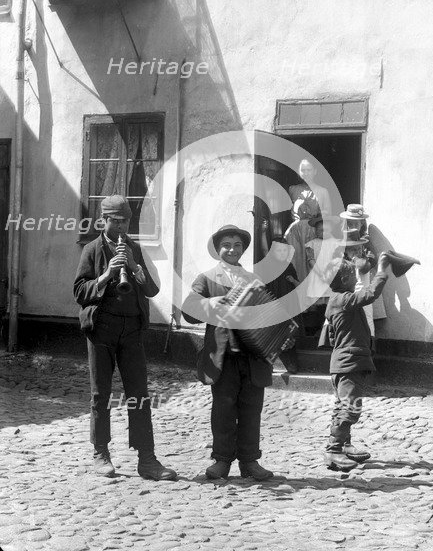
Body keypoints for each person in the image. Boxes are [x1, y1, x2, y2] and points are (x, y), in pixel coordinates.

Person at [73, 195, 177, 481]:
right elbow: (80, 292)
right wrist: (107, 275)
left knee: (139, 395)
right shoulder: (92, 249)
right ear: (103, 220)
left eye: (125, 221)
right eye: (114, 221)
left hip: (131, 329)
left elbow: (152, 291)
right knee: (101, 394)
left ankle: (147, 459)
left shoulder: (134, 249)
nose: (120, 226)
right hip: (101, 329)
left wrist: (134, 266)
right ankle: (101, 453)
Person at [181, 225, 275, 481]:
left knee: (251, 409)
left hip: (252, 356)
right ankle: (222, 461)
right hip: (223, 357)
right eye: (226, 245)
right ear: (218, 250)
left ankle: (250, 461)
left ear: (243, 249)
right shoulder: (207, 279)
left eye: (237, 245)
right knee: (223, 410)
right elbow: (187, 311)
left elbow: (268, 316)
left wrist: (277, 336)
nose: (232, 250)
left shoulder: (254, 280)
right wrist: (207, 304)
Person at [323, 253, 390, 472]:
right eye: (353, 275)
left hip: (344, 362)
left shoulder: (337, 300)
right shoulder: (343, 299)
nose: (356, 278)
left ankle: (344, 445)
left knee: (343, 405)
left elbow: (334, 337)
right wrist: (381, 270)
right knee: (350, 408)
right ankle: (333, 450)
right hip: (348, 363)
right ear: (343, 280)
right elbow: (370, 294)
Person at [258, 223, 303, 374]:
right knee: (272, 334)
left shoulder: (289, 266)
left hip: (288, 305)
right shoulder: (270, 264)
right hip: (274, 304)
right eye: (278, 250)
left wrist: (293, 281)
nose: (282, 253)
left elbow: (298, 285)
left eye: (285, 250)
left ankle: (291, 362)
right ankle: (269, 363)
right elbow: (264, 249)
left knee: (289, 334)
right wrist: (263, 232)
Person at [339, 204, 387, 342]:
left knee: (366, 314)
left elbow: (372, 260)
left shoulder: (365, 240)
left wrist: (361, 261)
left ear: (362, 224)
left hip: (364, 282)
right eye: (351, 222)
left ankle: (368, 345)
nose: (354, 225)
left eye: (357, 222)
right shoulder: (342, 240)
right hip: (346, 284)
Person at [284, 159, 331, 283]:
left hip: (314, 229)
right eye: (302, 170)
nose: (305, 173)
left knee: (313, 261)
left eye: (308, 170)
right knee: (297, 262)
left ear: (315, 171)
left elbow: (327, 215)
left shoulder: (322, 191)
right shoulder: (292, 189)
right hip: (296, 230)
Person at [305, 216, 341, 307]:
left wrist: (330, 273)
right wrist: (320, 273)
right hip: (317, 274)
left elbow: (338, 259)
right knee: (319, 303)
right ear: (315, 231)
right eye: (319, 230)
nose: (322, 232)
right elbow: (310, 260)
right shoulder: (311, 244)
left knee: (332, 300)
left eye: (325, 229)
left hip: (332, 275)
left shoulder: (337, 243)